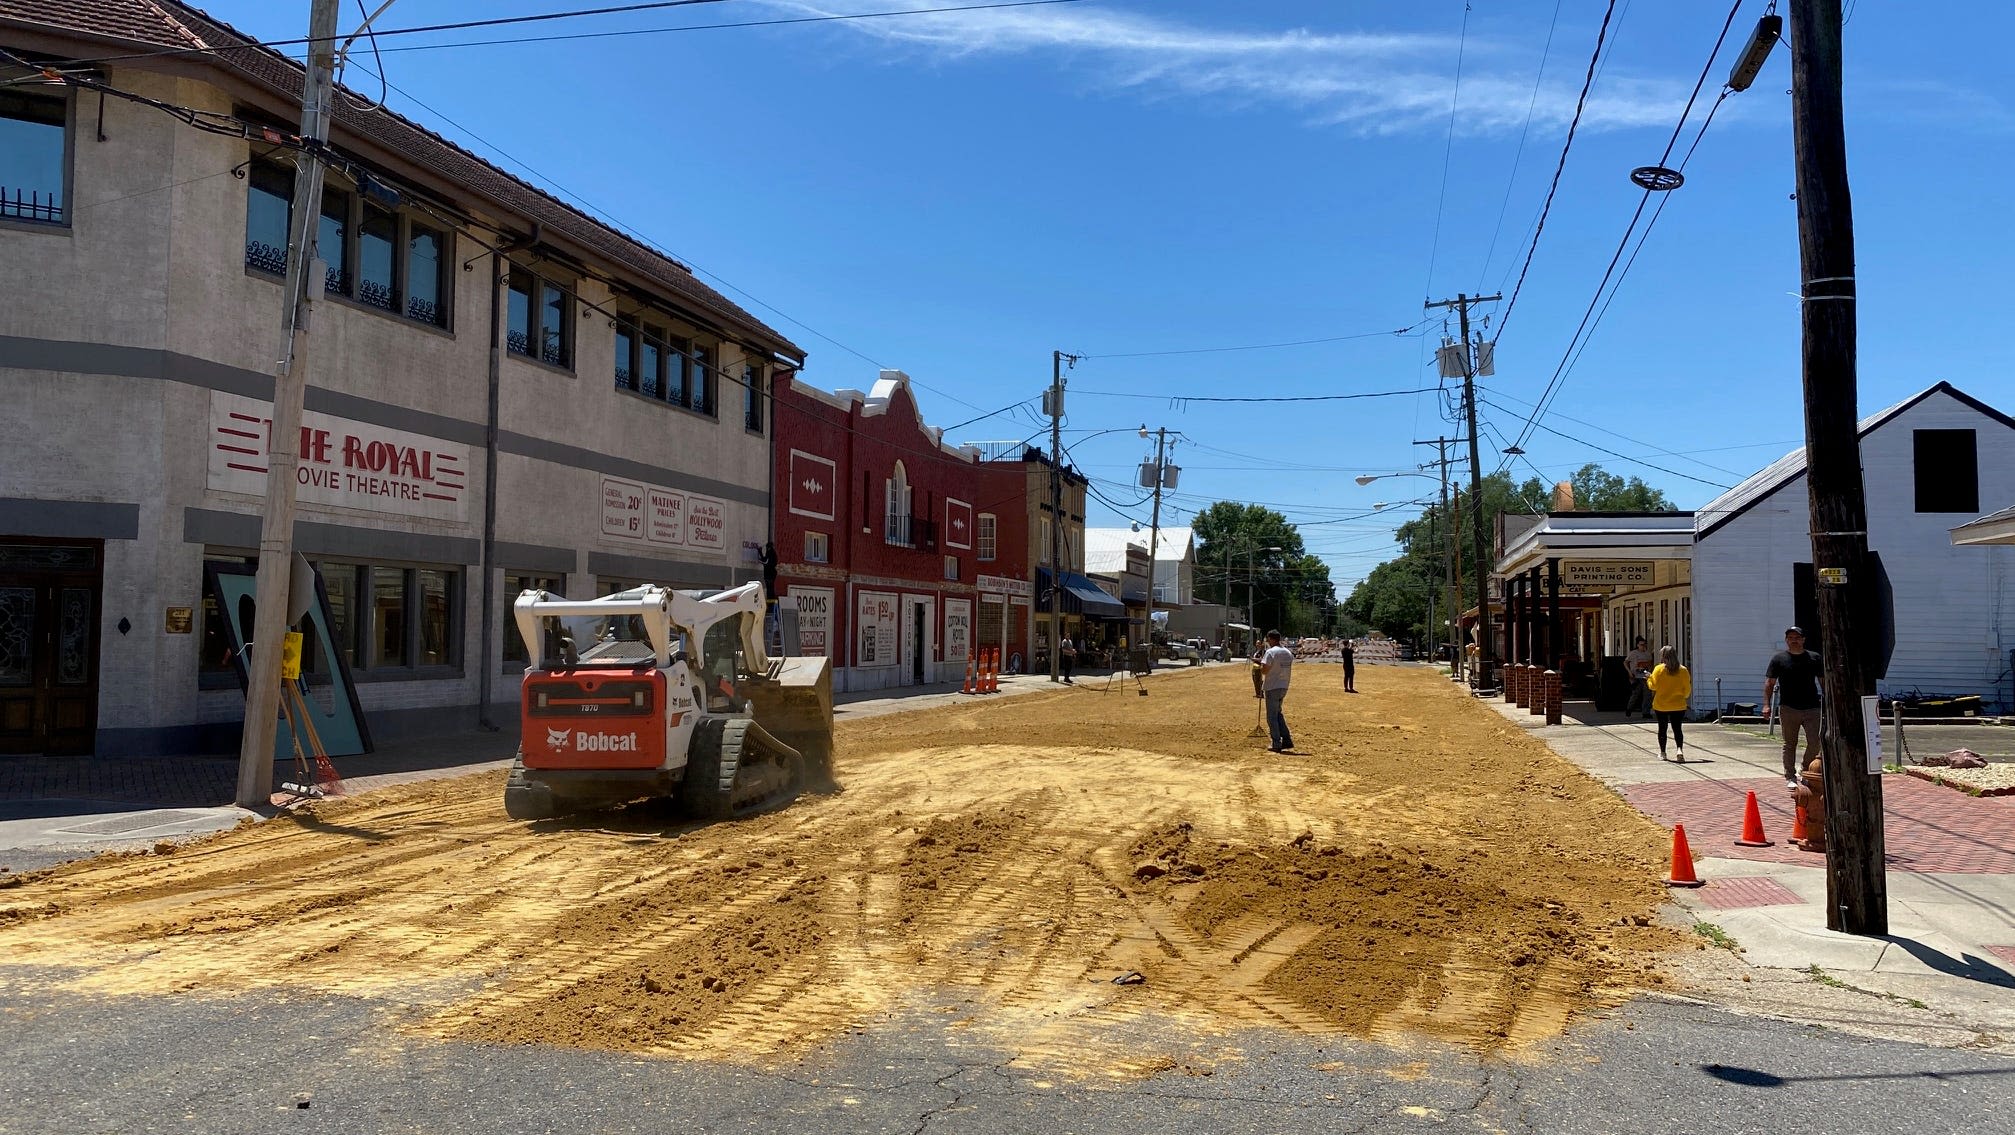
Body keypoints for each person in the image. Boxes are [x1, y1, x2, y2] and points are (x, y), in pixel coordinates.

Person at [1764, 626, 1822, 790]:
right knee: (1790, 743)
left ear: (1803, 639)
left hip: (1812, 706)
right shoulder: (1779, 659)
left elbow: (1824, 680)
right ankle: (1790, 775)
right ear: (1786, 640)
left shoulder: (1814, 658)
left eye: (1797, 637)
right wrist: (1767, 704)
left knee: (1815, 741)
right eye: (1790, 637)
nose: (1794, 640)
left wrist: (1830, 701)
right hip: (1788, 707)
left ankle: (1805, 770)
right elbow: (1769, 683)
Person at [1645, 645, 1692, 762]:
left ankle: (1663, 752)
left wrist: (1649, 678)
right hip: (1678, 704)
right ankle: (1679, 749)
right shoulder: (1683, 670)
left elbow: (1653, 686)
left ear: (1663, 657)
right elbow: (1687, 689)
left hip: (1661, 704)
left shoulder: (1659, 669)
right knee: (1677, 728)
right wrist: (1684, 697)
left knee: (1662, 729)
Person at [1259, 629, 1295, 753]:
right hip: (1283, 685)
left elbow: (1265, 670)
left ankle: (1276, 742)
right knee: (1278, 714)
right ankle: (1286, 739)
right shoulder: (1287, 652)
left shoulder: (1270, 652)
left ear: (1271, 639)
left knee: (1272, 716)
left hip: (1272, 686)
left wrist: (1260, 666)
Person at [1624, 637, 1653, 718]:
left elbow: (1650, 664)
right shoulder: (1633, 653)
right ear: (1637, 645)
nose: (1643, 646)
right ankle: (1629, 709)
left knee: (1647, 695)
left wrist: (1649, 672)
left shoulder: (1648, 654)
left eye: (1644, 645)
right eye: (1641, 645)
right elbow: (1625, 662)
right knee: (1635, 694)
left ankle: (1646, 712)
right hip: (1636, 676)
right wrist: (1629, 672)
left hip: (1645, 676)